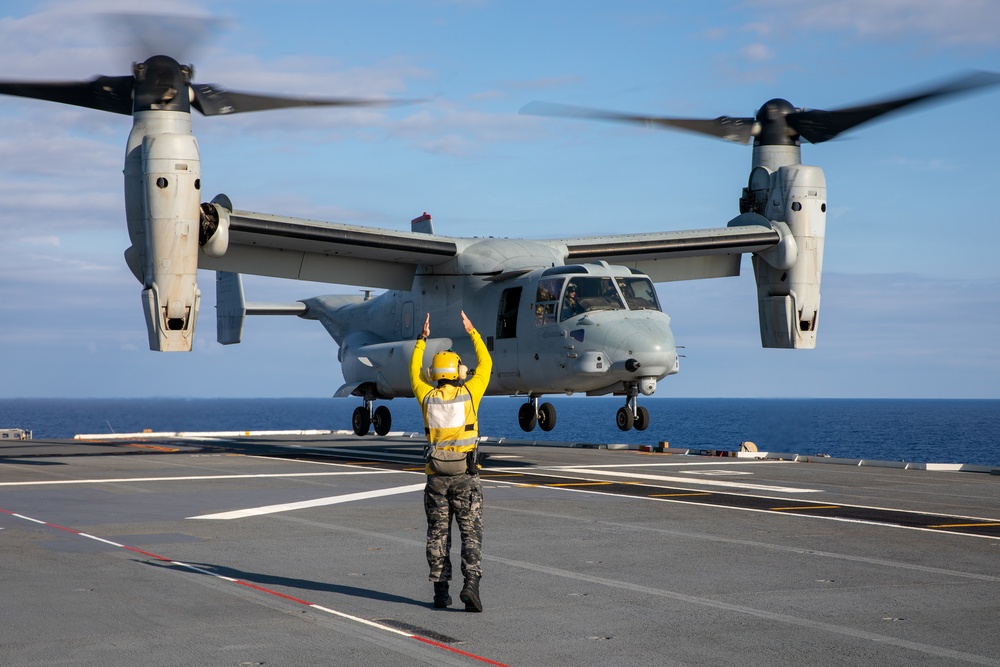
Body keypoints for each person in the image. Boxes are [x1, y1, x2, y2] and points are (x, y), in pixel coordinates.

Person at [409, 310, 492, 612]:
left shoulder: (426, 397)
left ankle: (440, 592)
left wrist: (422, 339)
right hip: (466, 476)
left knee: (437, 534)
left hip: (436, 477)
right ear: (457, 372)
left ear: (434, 374)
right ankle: (471, 587)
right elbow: (486, 364)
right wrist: (473, 332)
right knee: (471, 533)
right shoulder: (470, 393)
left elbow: (414, 371)